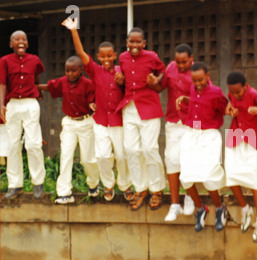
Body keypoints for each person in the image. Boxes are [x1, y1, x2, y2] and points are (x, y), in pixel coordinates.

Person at [62, 17, 134, 202]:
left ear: (115, 55)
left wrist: (123, 82)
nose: (107, 59)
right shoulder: (95, 70)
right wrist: (73, 30)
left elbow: (130, 89)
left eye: (110, 56)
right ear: (99, 57)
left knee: (122, 155)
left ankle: (125, 184)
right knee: (102, 155)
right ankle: (108, 184)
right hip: (101, 120)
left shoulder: (121, 71)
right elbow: (80, 52)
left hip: (118, 120)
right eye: (103, 56)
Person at [115, 27, 166, 211]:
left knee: (149, 149)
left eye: (138, 42)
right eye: (131, 41)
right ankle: (140, 188)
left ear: (144, 43)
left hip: (149, 107)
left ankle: (156, 189)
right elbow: (122, 77)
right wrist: (119, 81)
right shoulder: (122, 58)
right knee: (131, 150)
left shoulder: (152, 56)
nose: (134, 45)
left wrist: (156, 81)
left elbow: (163, 71)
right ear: (127, 42)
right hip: (129, 107)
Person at [38, 56, 100, 204]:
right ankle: (64, 192)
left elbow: (93, 100)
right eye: (67, 71)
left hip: (86, 123)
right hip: (69, 123)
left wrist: (93, 105)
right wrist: (34, 88)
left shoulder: (88, 84)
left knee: (88, 159)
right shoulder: (63, 82)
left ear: (81, 70)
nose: (70, 74)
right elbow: (50, 87)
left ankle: (93, 183)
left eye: (74, 71)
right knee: (65, 156)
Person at [225, 71, 257, 242]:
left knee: (256, 181)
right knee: (231, 177)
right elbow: (231, 107)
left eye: (238, 92)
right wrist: (231, 111)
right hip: (235, 138)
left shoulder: (254, 94)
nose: (235, 95)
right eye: (232, 92)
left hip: (256, 141)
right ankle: (245, 208)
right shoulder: (231, 94)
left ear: (245, 86)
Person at [176, 62, 228, 232]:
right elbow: (198, 101)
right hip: (192, 133)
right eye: (194, 80)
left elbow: (224, 107)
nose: (197, 84)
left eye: (200, 80)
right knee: (185, 176)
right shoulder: (192, 90)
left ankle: (219, 208)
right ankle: (201, 208)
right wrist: (186, 99)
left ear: (208, 76)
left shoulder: (216, 92)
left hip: (209, 135)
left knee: (209, 175)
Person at [0, 30, 46, 200]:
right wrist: (1, 105)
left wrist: (37, 90)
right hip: (12, 103)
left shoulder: (34, 60)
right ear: (11, 44)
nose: (21, 42)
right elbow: (2, 83)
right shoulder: (4, 61)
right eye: (16, 39)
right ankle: (15, 185)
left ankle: (38, 182)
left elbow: (37, 75)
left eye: (24, 39)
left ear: (27, 43)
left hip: (30, 103)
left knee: (33, 144)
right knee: (13, 146)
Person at [151, 43, 195, 221]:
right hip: (172, 121)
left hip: (191, 123)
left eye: (184, 62)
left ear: (191, 59)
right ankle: (175, 204)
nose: (181, 65)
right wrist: (154, 83)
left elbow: (207, 97)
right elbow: (160, 88)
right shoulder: (170, 68)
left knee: (187, 160)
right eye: (178, 62)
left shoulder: (197, 73)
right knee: (171, 160)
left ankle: (191, 197)